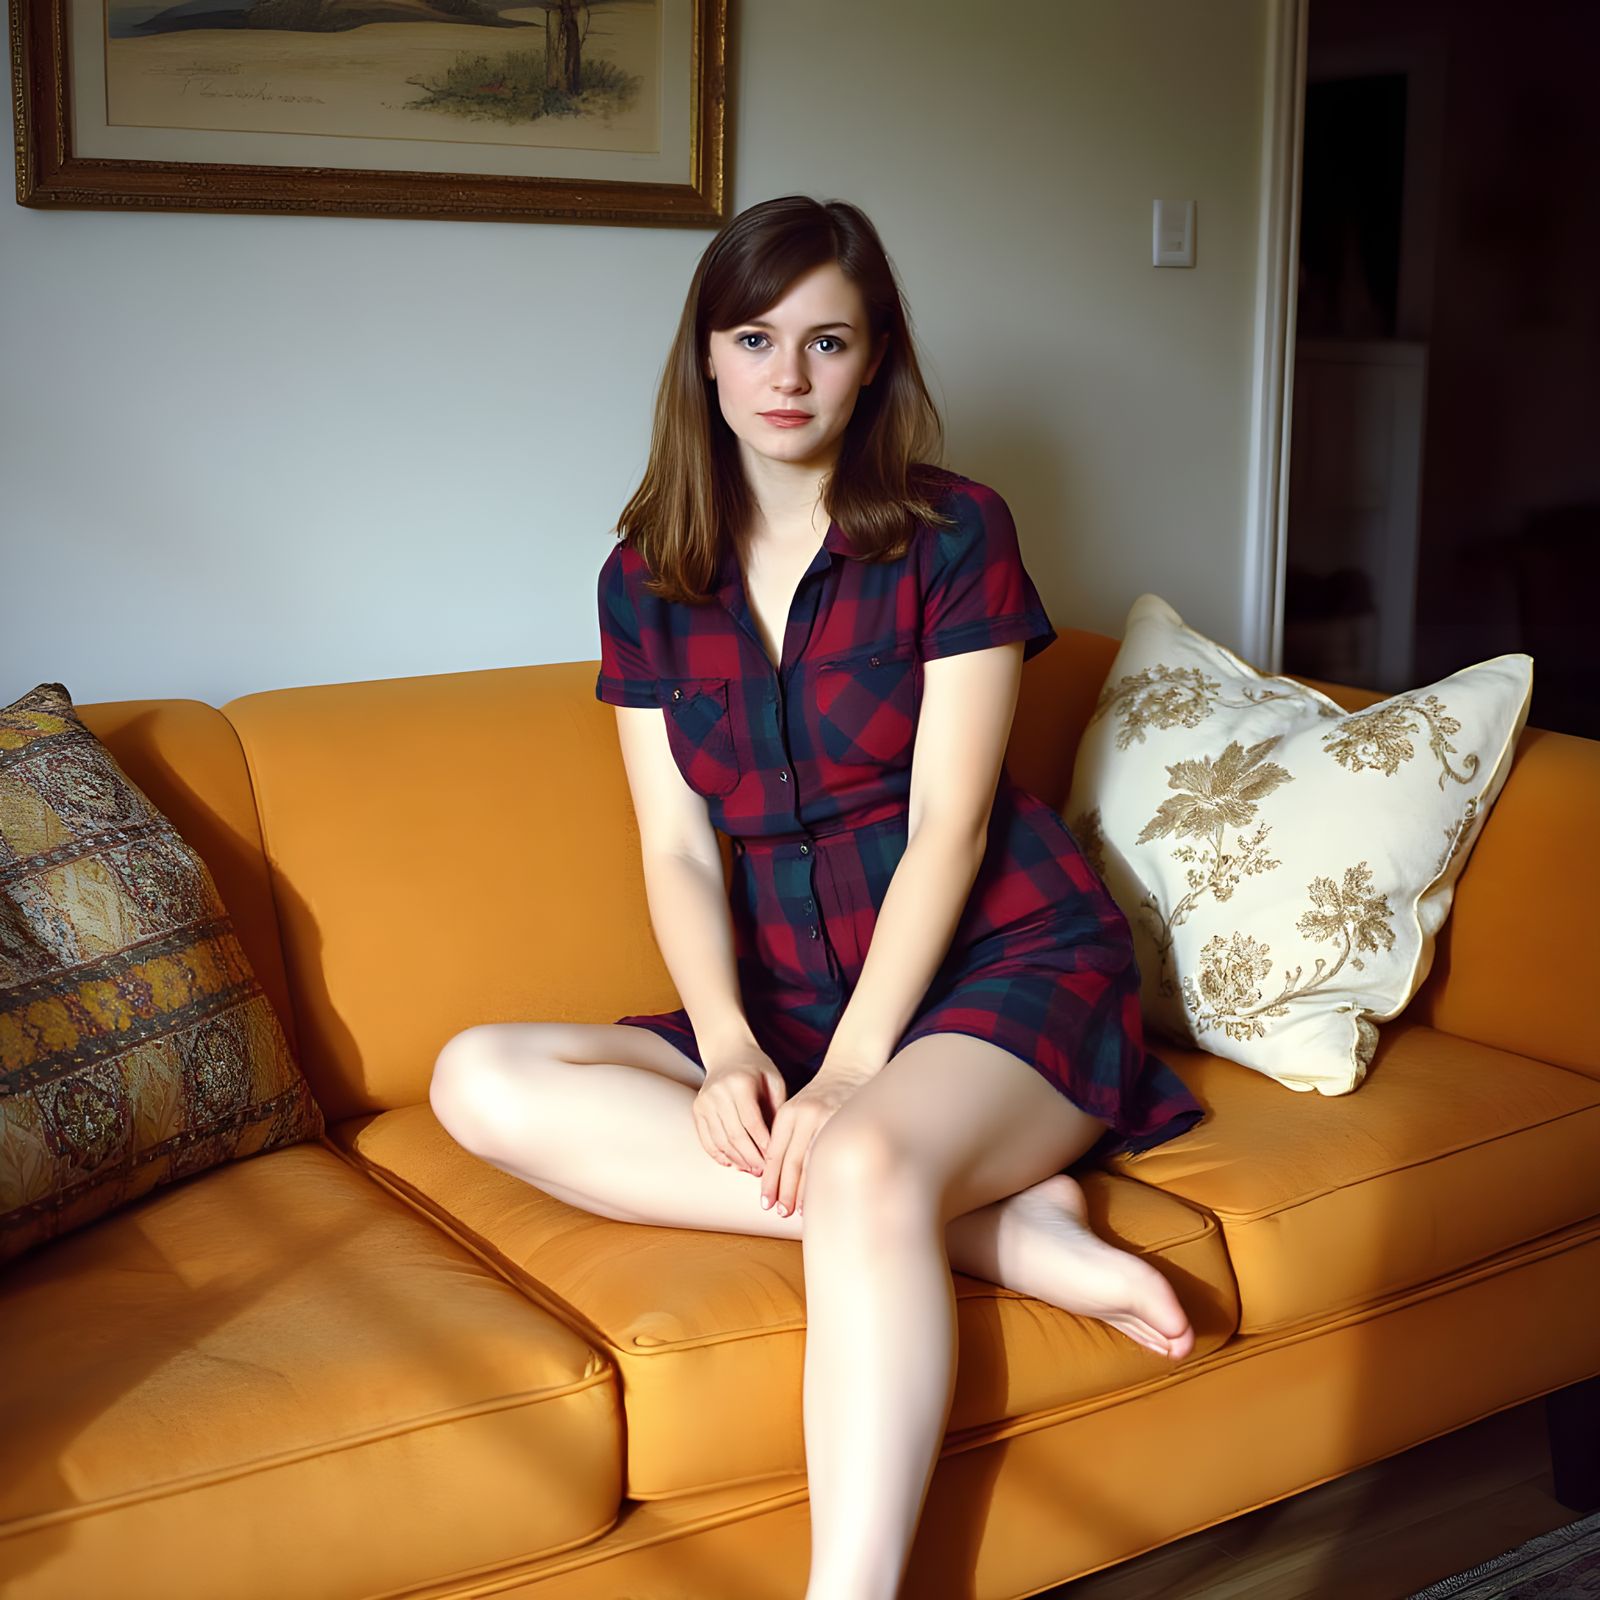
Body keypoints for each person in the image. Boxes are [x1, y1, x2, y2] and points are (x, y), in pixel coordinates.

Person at [429, 195, 1207, 1600]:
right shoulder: (643, 581)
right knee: (476, 1077)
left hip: (1001, 963)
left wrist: (852, 1074)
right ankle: (992, 1229)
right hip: (790, 992)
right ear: (708, 361)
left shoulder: (956, 533)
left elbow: (950, 827)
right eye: (755, 337)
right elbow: (675, 848)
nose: (788, 377)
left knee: (854, 1153)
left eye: (826, 341)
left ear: (873, 360)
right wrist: (731, 1044)